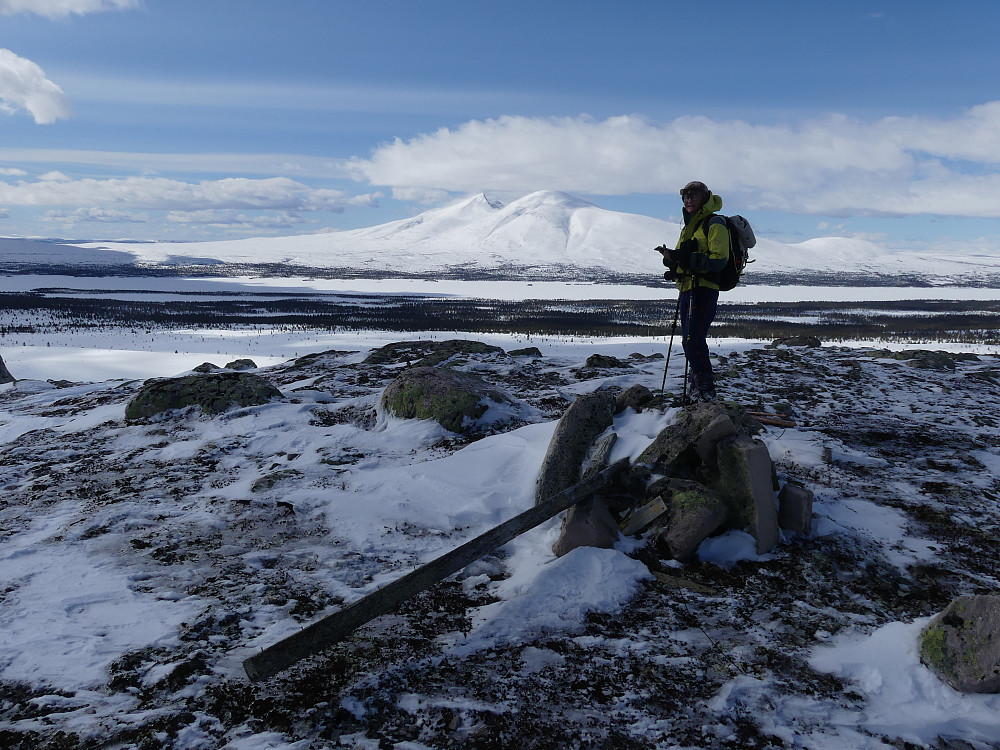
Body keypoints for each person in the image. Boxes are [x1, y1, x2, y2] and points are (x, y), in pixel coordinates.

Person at [656, 181, 730, 402]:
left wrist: (688, 259)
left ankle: (705, 389)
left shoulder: (715, 223)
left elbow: (719, 260)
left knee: (693, 340)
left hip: (704, 289)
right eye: (685, 196)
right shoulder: (689, 226)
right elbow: (687, 258)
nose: (688, 200)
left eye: (693, 196)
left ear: (705, 198)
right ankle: (698, 386)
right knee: (689, 340)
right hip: (688, 288)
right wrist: (673, 261)